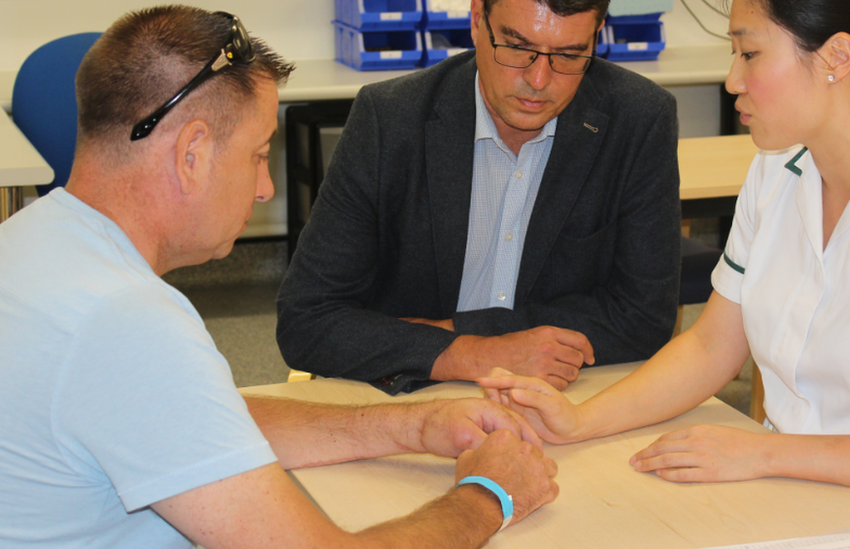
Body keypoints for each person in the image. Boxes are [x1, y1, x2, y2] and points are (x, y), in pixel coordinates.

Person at [0, 7, 558, 548]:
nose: (265, 187)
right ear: (192, 152)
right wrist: (489, 494)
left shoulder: (33, 240)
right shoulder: (127, 321)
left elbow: (198, 419)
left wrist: (411, 426)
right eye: (258, 154)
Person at [480, 0, 850, 542]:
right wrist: (580, 421)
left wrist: (765, 452)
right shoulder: (776, 171)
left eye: (751, 53)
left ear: (837, 56)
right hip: (791, 497)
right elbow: (713, 346)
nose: (733, 79)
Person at [276, 0, 681, 394]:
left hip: (565, 394)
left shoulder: (639, 119)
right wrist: (472, 353)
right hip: (413, 390)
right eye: (518, 48)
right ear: (476, 19)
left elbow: (644, 318)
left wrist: (458, 331)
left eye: (569, 55)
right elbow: (306, 319)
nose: (539, 80)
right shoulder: (390, 119)